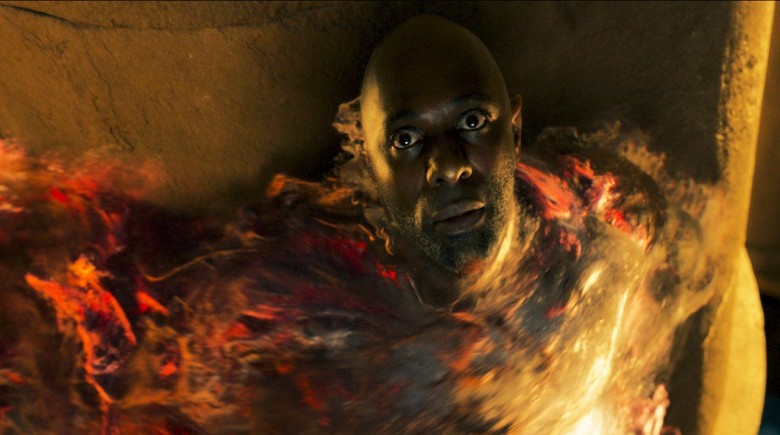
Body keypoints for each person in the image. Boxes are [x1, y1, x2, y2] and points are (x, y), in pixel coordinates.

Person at [0, 14, 712, 434]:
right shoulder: (314, 295)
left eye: (472, 122)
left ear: (513, 129)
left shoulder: (597, 217)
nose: (448, 165)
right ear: (369, 164)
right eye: (407, 140)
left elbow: (676, 256)